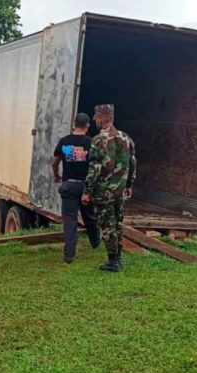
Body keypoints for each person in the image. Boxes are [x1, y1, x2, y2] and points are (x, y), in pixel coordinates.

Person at [82, 104, 136, 272]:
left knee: (107, 225)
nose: (94, 120)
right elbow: (132, 163)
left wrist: (86, 190)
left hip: (104, 191)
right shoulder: (126, 138)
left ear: (101, 118)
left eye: (96, 117)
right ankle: (118, 258)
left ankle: (113, 261)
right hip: (120, 191)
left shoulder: (98, 140)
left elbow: (95, 168)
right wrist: (129, 185)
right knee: (118, 224)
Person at [52, 112, 101, 263]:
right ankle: (95, 242)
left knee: (70, 220)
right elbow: (96, 165)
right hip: (85, 187)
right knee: (90, 216)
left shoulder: (65, 142)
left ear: (74, 124)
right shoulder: (91, 142)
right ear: (87, 125)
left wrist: (56, 175)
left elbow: (55, 162)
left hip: (69, 186)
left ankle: (69, 254)